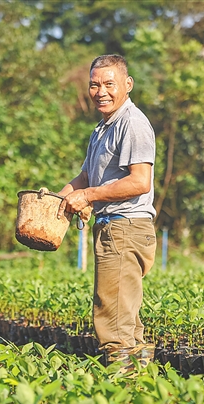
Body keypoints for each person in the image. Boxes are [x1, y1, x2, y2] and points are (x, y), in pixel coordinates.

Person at [57, 54, 157, 371]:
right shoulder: (102, 129)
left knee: (113, 320)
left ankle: (123, 397)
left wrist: (88, 196)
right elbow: (86, 177)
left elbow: (140, 181)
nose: (101, 91)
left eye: (109, 84)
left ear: (127, 85)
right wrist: (58, 198)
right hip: (113, 228)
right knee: (124, 315)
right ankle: (143, 389)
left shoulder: (133, 124)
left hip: (125, 227)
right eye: (94, 84)